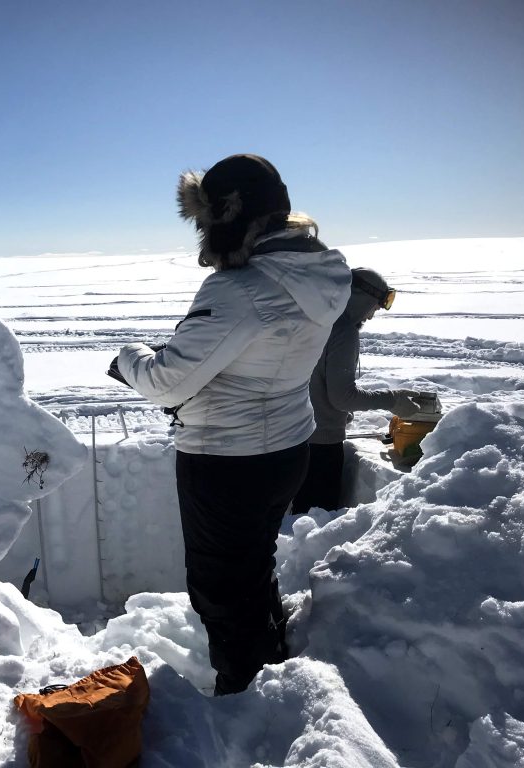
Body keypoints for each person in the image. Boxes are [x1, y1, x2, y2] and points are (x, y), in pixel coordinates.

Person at [115, 154, 352, 695]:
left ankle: (246, 692)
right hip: (290, 445)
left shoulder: (241, 288)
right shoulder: (321, 272)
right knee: (252, 563)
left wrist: (128, 358)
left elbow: (167, 381)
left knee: (219, 585)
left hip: (227, 458)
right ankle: (271, 656)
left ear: (227, 217)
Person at [292, 267, 420, 515]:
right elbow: (342, 397)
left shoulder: (313, 320)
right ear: (360, 297)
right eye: (374, 306)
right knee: (316, 519)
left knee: (298, 516)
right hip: (321, 443)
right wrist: (392, 400)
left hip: (293, 437)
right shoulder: (343, 330)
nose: (371, 316)